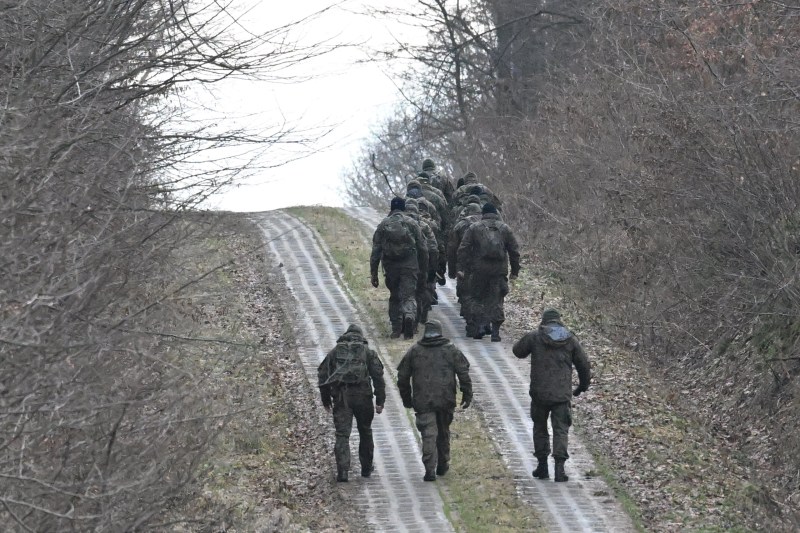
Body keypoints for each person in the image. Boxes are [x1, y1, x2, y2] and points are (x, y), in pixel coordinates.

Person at [512, 309, 591, 482]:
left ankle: (542, 466)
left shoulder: (535, 337)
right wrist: (582, 386)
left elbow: (517, 351)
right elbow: (584, 366)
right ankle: (560, 470)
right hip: (561, 395)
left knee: (540, 428)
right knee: (561, 430)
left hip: (539, 394)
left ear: (544, 322)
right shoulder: (570, 340)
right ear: (559, 321)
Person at [397, 320, 473, 481]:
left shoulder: (415, 351)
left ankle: (429, 468)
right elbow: (463, 373)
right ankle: (443, 464)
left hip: (423, 400)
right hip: (446, 399)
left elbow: (402, 377)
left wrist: (407, 399)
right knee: (443, 432)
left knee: (428, 434)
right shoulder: (451, 350)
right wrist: (467, 394)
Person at [318, 324, 387, 482]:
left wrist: (326, 399)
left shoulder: (335, 352)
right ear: (360, 336)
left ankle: (343, 472)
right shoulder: (367, 352)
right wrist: (380, 400)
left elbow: (322, 374)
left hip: (342, 398)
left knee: (342, 434)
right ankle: (366, 468)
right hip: (363, 397)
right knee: (365, 431)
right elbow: (378, 377)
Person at [456, 203, 520, 341]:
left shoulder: (474, 228)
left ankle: (479, 326)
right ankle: (495, 332)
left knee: (477, 298)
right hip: (499, 270)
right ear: (496, 213)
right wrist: (515, 271)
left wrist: (461, 268)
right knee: (497, 299)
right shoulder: (504, 228)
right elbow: (514, 251)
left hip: (479, 269)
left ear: (483, 214)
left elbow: (463, 248)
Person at [370, 197, 427, 339]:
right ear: (403, 208)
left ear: (391, 208)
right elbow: (423, 248)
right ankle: (409, 316)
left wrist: (374, 274)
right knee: (408, 296)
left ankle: (396, 329)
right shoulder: (412, 223)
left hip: (391, 267)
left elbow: (376, 251)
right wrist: (423, 268)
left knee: (394, 296)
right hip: (409, 266)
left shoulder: (383, 224)